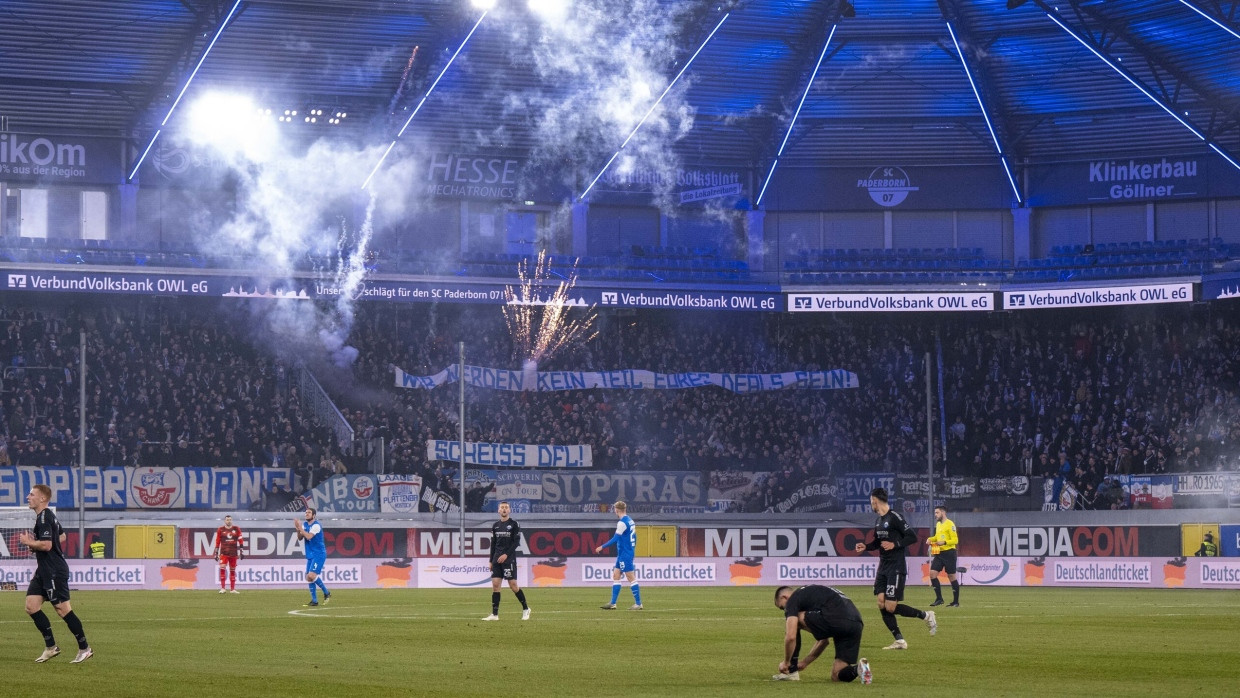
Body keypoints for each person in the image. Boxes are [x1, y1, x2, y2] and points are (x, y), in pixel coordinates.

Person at [853, 487, 935, 650]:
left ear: (875, 501)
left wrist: (895, 544)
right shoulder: (879, 520)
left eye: (871, 501)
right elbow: (877, 543)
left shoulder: (895, 517)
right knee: (881, 603)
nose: (871, 504)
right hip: (883, 567)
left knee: (890, 607)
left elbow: (912, 537)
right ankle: (899, 640)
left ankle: (926, 615)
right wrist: (866, 546)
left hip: (896, 567)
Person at [18, 484, 92, 663]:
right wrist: (37, 546)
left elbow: (47, 545)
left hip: (54, 570)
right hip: (43, 570)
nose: (28, 497)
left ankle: (85, 648)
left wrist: (30, 543)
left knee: (62, 610)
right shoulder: (46, 516)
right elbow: (62, 536)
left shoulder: (44, 517)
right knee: (31, 606)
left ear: (42, 498)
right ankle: (51, 647)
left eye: (31, 494)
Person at [772, 585, 871, 685]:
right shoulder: (813, 595)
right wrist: (805, 662)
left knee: (794, 621)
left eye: (782, 607)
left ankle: (791, 672)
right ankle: (859, 669)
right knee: (836, 675)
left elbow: (791, 637)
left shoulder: (793, 599)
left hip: (837, 618)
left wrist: (786, 662)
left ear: (784, 597)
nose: (785, 609)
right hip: (856, 624)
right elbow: (824, 641)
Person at [481, 501, 531, 621]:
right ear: (499, 510)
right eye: (502, 507)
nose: (504, 509)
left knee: (513, 586)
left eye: (506, 507)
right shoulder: (495, 526)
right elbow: (493, 544)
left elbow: (516, 542)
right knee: (495, 585)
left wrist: (506, 555)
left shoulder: (514, 524)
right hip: (496, 559)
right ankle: (494, 615)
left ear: (509, 510)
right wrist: (490, 560)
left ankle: (526, 608)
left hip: (509, 559)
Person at [594, 500, 641, 610]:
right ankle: (613, 603)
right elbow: (635, 537)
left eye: (614, 509)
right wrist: (632, 548)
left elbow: (615, 538)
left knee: (630, 577)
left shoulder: (622, 523)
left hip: (625, 553)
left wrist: (602, 547)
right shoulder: (630, 520)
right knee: (616, 575)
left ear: (617, 510)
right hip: (624, 553)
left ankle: (638, 603)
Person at [294, 508, 331, 607]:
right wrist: (297, 529)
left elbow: (309, 536)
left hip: (319, 553)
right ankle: (314, 601)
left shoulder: (316, 525)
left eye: (309, 512)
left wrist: (300, 528)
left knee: (311, 575)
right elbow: (300, 538)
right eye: (306, 512)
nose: (306, 514)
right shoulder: (305, 525)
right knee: (308, 577)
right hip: (310, 554)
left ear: (314, 515)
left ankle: (326, 592)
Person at [927, 505, 960, 607]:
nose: (935, 515)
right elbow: (937, 537)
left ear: (943, 512)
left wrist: (944, 542)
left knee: (951, 576)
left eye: (937, 513)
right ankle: (939, 599)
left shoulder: (950, 524)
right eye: (935, 513)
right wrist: (930, 539)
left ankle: (955, 602)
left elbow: (955, 540)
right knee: (932, 574)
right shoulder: (938, 524)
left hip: (949, 553)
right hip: (939, 553)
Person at [213, 514, 245, 594]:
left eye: (230, 520)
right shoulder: (220, 529)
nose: (229, 521)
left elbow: (240, 540)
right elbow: (217, 541)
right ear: (225, 521)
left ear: (232, 520)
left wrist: (242, 551)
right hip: (224, 553)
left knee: (232, 570)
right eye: (227, 520)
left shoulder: (236, 529)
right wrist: (216, 553)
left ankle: (232, 589)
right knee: (222, 568)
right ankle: (223, 588)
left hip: (233, 553)